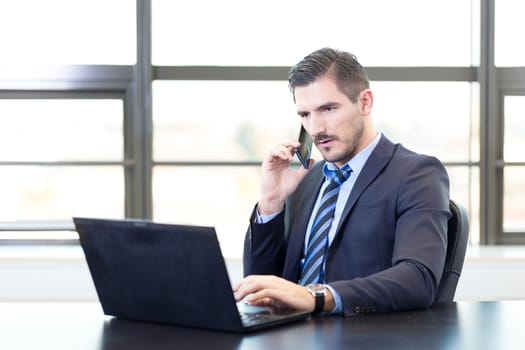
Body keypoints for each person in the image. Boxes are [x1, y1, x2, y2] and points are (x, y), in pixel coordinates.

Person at [233, 47, 450, 316]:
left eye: (328, 109)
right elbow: (259, 287)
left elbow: (417, 279)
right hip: (289, 336)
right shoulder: (306, 179)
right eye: (305, 115)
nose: (315, 129)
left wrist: (316, 297)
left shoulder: (416, 174)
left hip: (360, 336)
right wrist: (271, 203)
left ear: (365, 102)